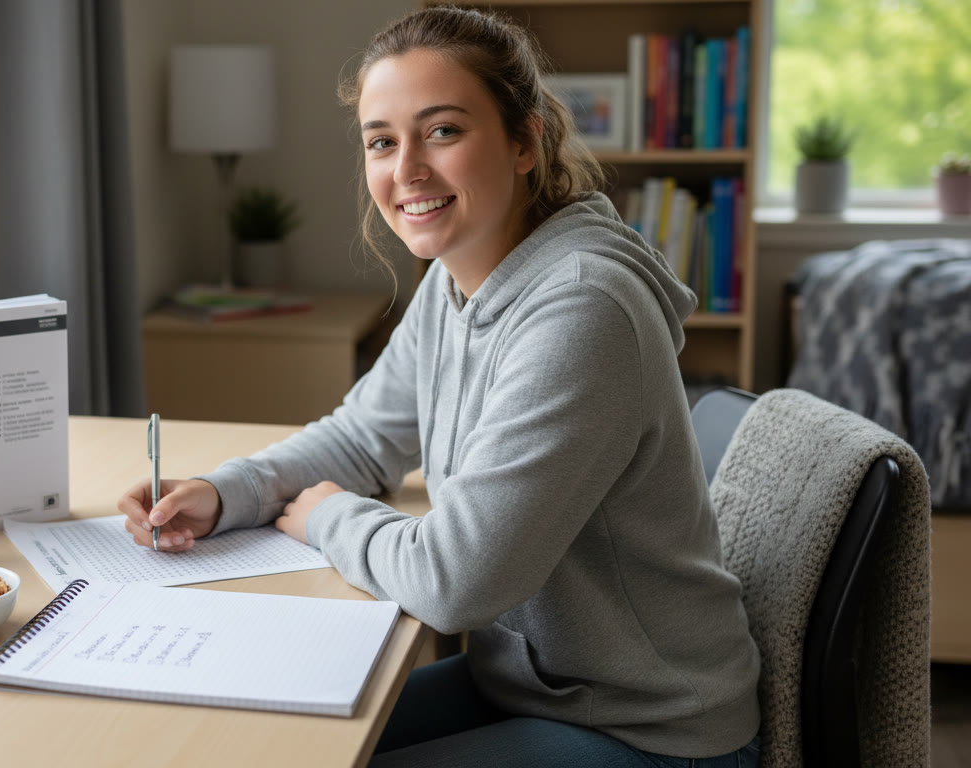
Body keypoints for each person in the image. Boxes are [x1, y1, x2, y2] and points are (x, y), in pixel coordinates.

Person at [117, 7, 760, 766]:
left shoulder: (583, 310)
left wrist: (329, 518)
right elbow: (363, 436)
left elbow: (454, 582)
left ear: (525, 141)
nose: (408, 170)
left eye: (444, 131)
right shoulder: (458, 279)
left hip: (645, 726)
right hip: (533, 684)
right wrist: (227, 493)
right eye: (382, 142)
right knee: (259, 742)